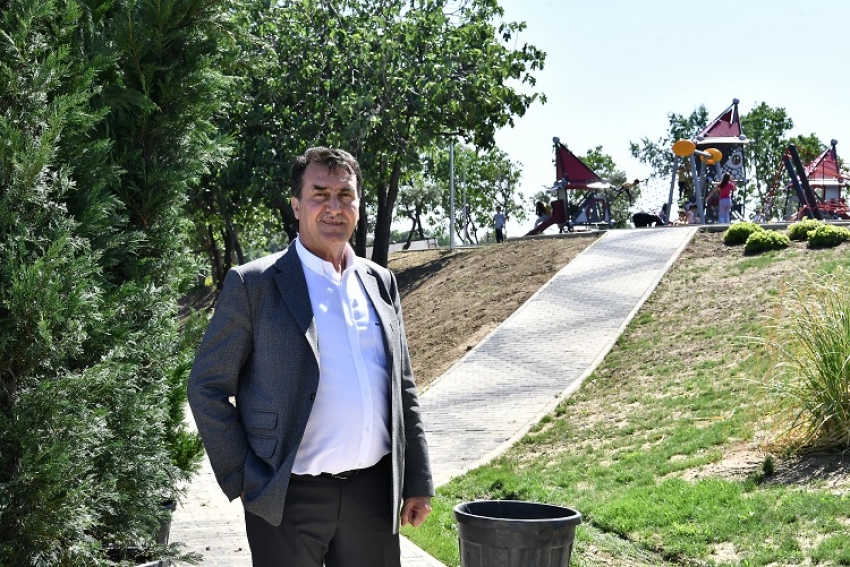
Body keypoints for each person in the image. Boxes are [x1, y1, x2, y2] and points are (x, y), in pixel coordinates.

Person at [188, 147, 434, 567]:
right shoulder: (254, 285)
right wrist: (244, 476)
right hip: (286, 499)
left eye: (345, 194)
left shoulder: (380, 282)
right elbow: (206, 386)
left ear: (358, 205)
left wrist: (417, 479)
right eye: (320, 194)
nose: (334, 207)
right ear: (297, 205)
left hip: (373, 497)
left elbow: (403, 387)